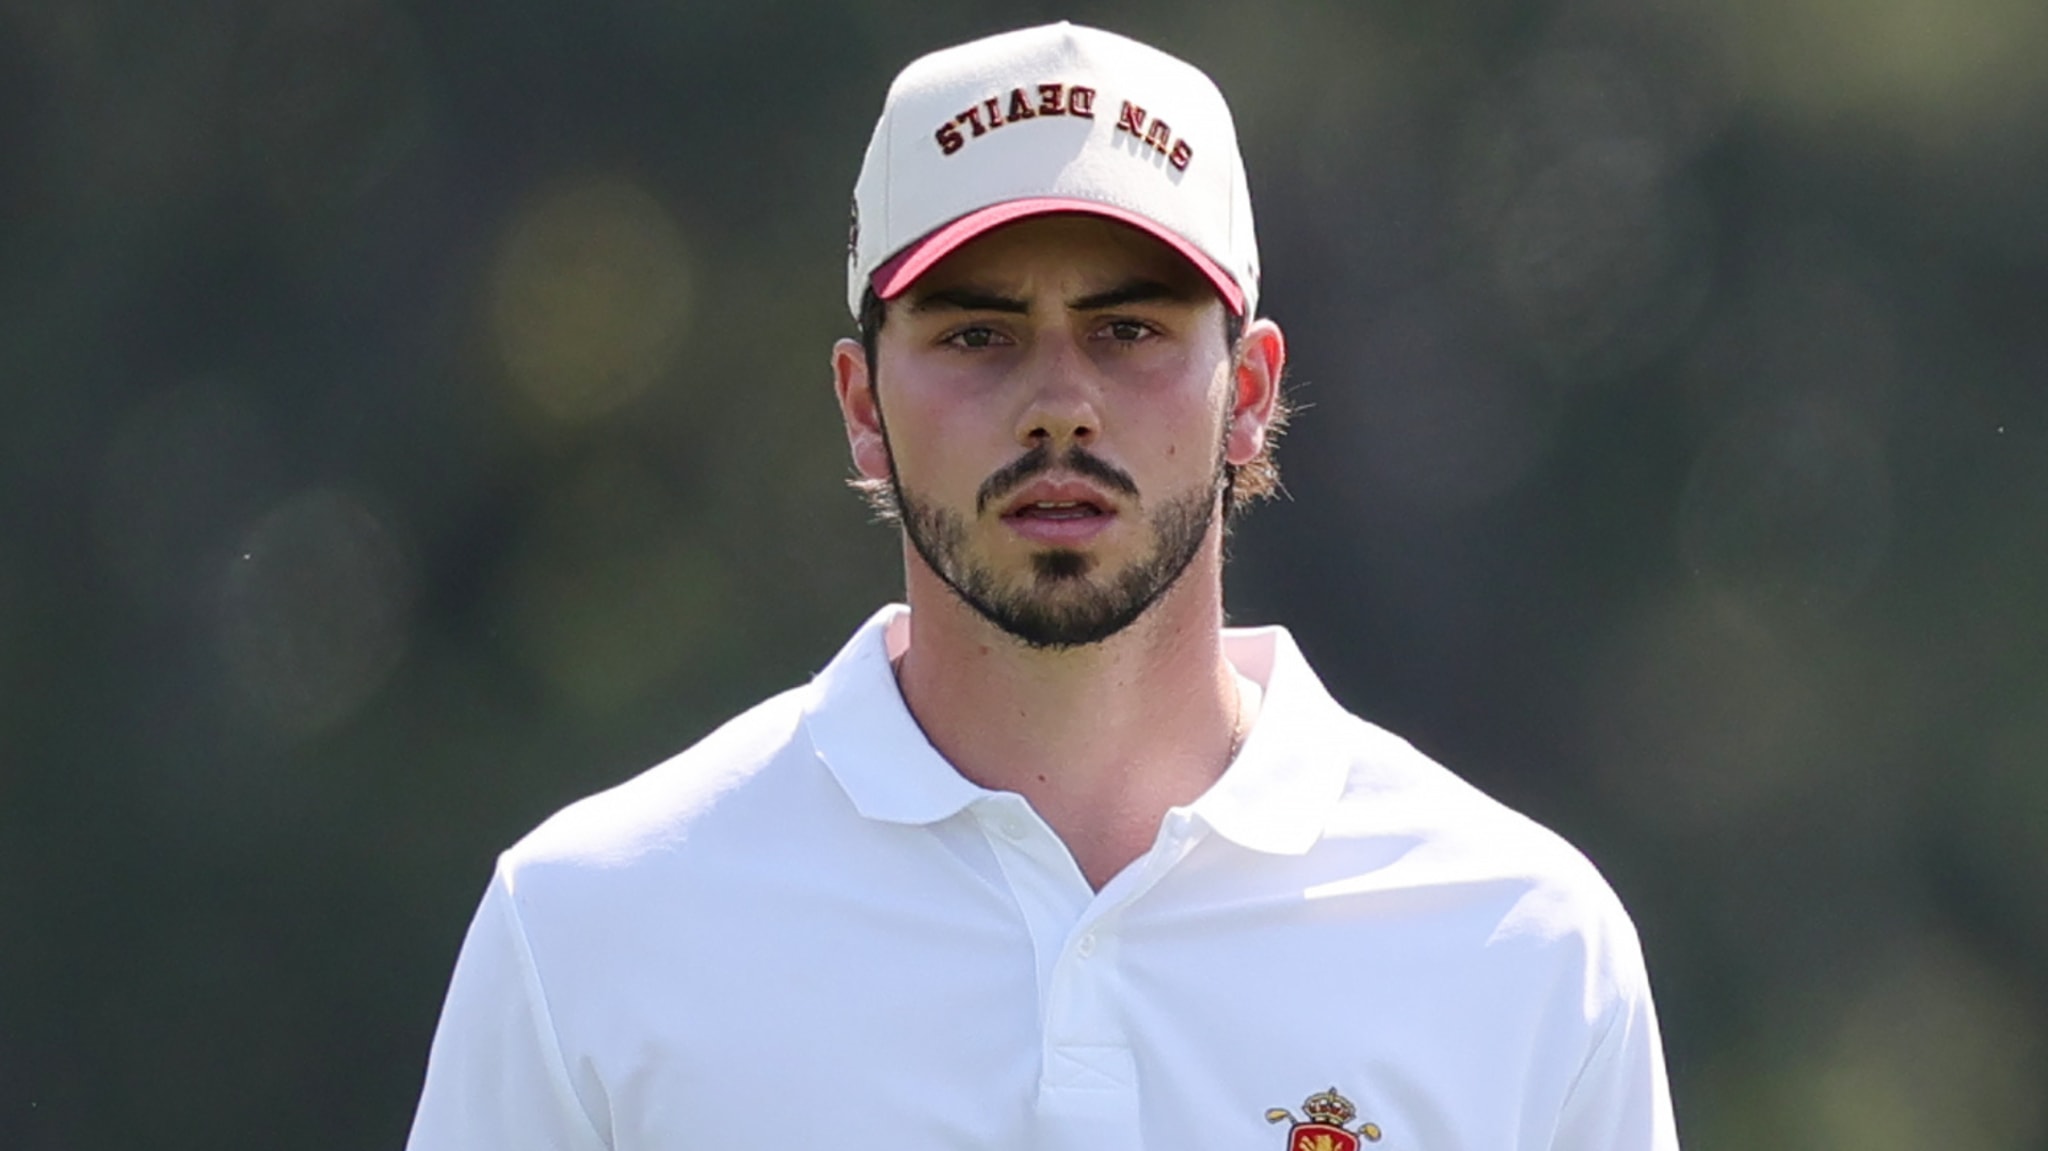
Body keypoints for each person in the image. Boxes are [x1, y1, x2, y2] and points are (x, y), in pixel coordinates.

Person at [406, 22, 1679, 1151]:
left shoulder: (1522, 949)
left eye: (1128, 330)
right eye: (977, 333)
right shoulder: (591, 926)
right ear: (861, 405)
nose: (1059, 403)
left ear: (1245, 393)